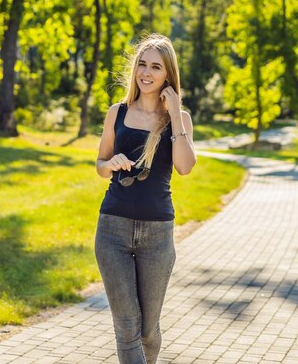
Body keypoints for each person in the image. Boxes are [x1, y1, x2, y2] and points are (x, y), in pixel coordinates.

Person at [95, 33, 197, 364]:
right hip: (113, 230)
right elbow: (100, 163)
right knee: (127, 328)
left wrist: (176, 114)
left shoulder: (178, 119)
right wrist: (109, 164)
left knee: (148, 331)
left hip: (157, 236)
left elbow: (184, 166)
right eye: (142, 64)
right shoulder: (118, 112)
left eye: (156, 66)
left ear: (168, 74)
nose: (146, 73)